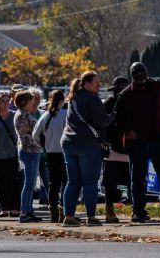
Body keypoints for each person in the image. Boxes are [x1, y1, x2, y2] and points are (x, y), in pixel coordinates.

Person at [114, 62, 160, 223]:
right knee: (138, 180)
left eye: (142, 71)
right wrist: (128, 130)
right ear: (131, 75)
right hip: (138, 143)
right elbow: (117, 117)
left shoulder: (159, 88)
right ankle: (138, 212)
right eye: (135, 72)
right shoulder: (126, 94)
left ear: (147, 71)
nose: (139, 74)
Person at [61, 71, 113, 227]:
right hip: (88, 144)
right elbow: (101, 121)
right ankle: (91, 217)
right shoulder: (92, 98)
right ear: (87, 84)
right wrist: (112, 117)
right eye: (96, 82)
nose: (99, 85)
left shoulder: (73, 98)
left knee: (73, 182)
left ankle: (68, 216)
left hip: (68, 142)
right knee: (90, 182)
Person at [32, 89, 68, 223]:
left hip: (50, 152)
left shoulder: (46, 115)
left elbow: (35, 134)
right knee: (66, 182)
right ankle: (63, 210)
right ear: (62, 100)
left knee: (53, 183)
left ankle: (53, 211)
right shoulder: (65, 114)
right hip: (64, 152)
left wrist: (43, 145)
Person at [102, 76, 131, 224]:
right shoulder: (109, 103)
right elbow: (102, 124)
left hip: (130, 148)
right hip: (113, 149)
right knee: (110, 183)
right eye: (121, 87)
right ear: (115, 90)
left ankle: (138, 210)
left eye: (126, 86)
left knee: (133, 181)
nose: (124, 90)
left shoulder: (132, 102)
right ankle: (109, 210)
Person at [14, 90, 42, 223]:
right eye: (31, 100)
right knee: (29, 183)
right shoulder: (23, 116)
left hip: (31, 150)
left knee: (30, 183)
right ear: (25, 102)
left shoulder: (23, 114)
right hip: (29, 151)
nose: (33, 103)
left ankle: (29, 211)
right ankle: (24, 212)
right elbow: (31, 134)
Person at [29, 88, 50, 207]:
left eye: (38, 98)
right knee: (30, 180)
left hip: (42, 152)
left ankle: (51, 203)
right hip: (29, 152)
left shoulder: (42, 114)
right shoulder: (24, 114)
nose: (36, 101)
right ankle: (28, 205)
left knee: (46, 179)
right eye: (34, 98)